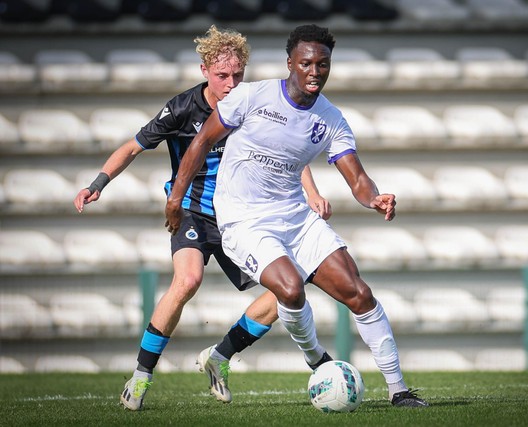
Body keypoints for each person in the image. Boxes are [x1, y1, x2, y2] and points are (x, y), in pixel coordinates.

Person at [165, 24, 428, 408]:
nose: (315, 71)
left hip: (295, 217)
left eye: (323, 64)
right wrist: (176, 198)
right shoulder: (252, 97)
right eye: (306, 63)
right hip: (244, 219)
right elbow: (202, 140)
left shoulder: (331, 119)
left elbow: (356, 178)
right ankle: (314, 357)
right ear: (291, 63)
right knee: (289, 288)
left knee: (360, 294)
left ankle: (399, 389)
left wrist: (374, 199)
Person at [73, 25, 332, 411]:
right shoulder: (182, 108)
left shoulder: (254, 103)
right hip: (193, 211)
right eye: (222, 75)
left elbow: (286, 153)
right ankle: (141, 377)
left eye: (238, 75)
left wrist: (311, 192)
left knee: (285, 292)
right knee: (188, 280)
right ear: (204, 70)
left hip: (242, 217)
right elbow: (133, 146)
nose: (231, 84)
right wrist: (98, 183)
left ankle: (220, 355)